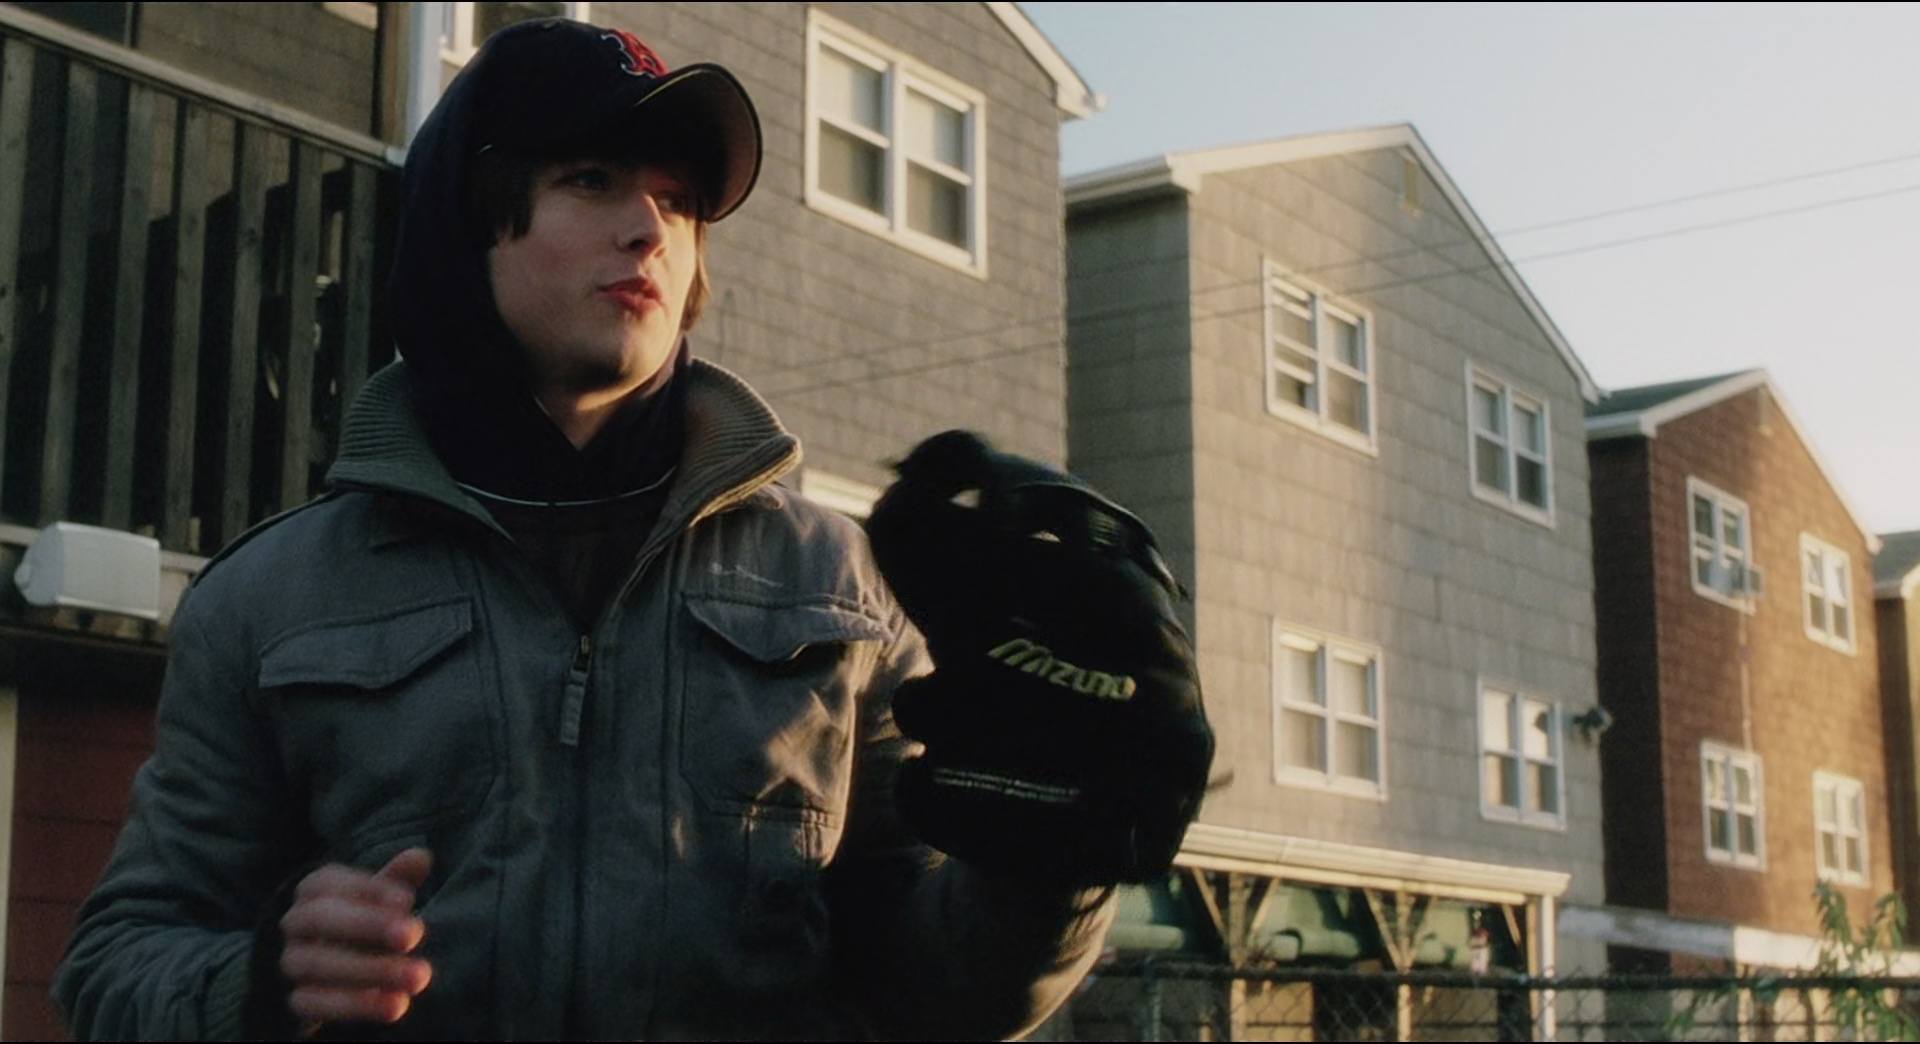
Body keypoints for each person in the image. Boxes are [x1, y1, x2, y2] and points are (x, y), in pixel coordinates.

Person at [54, 16, 1211, 1041]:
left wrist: (1050, 872)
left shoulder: (843, 585)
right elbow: (115, 970)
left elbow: (936, 996)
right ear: (466, 222)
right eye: (594, 179)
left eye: (680, 200)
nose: (650, 229)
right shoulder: (270, 599)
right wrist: (260, 983)